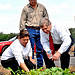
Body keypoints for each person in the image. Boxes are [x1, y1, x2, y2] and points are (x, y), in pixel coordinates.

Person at [19, 0, 49, 69]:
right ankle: (31, 68)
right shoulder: (25, 8)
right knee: (30, 49)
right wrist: (23, 33)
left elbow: (46, 18)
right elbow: (22, 21)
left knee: (40, 49)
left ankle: (40, 68)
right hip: (30, 30)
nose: (32, 0)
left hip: (40, 30)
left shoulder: (42, 7)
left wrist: (46, 29)